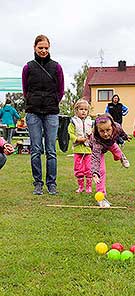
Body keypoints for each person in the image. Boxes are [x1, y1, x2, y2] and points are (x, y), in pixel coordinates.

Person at [22, 34, 64, 195]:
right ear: (34, 48)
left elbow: (60, 91)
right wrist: (33, 101)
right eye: (40, 48)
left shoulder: (57, 67)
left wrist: (52, 101)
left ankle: (51, 183)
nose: (43, 50)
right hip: (33, 112)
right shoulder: (28, 67)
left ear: (49, 48)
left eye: (46, 48)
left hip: (51, 112)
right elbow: (26, 90)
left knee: (51, 150)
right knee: (36, 149)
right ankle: (38, 183)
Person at [90, 113, 130, 207]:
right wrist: (95, 173)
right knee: (101, 171)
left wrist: (125, 137)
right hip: (101, 149)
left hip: (111, 143)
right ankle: (101, 197)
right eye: (102, 131)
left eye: (108, 130)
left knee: (118, 154)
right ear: (97, 130)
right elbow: (95, 158)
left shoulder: (117, 127)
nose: (106, 134)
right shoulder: (96, 141)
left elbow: (122, 132)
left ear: (112, 126)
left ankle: (122, 158)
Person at [68, 99, 93, 193]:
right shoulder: (73, 122)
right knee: (78, 168)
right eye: (81, 109)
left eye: (85, 110)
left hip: (88, 150)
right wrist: (77, 139)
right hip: (78, 149)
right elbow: (70, 133)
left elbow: (94, 133)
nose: (83, 111)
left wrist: (91, 137)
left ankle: (89, 187)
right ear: (76, 110)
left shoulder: (91, 122)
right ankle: (81, 186)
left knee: (89, 168)